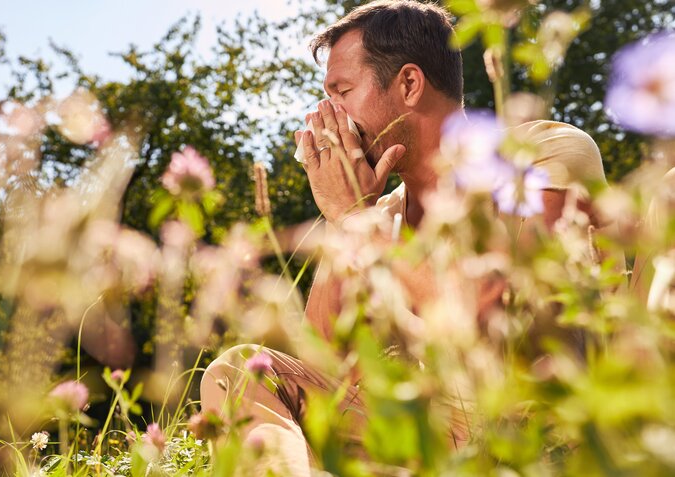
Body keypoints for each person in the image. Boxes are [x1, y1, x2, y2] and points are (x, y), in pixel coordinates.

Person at [200, 1, 609, 475]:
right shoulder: (379, 215)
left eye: (342, 92)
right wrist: (343, 222)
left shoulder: (542, 153)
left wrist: (355, 220)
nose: (329, 116)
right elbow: (323, 366)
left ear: (409, 84)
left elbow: (495, 323)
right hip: (430, 436)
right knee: (241, 372)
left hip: (536, 429)